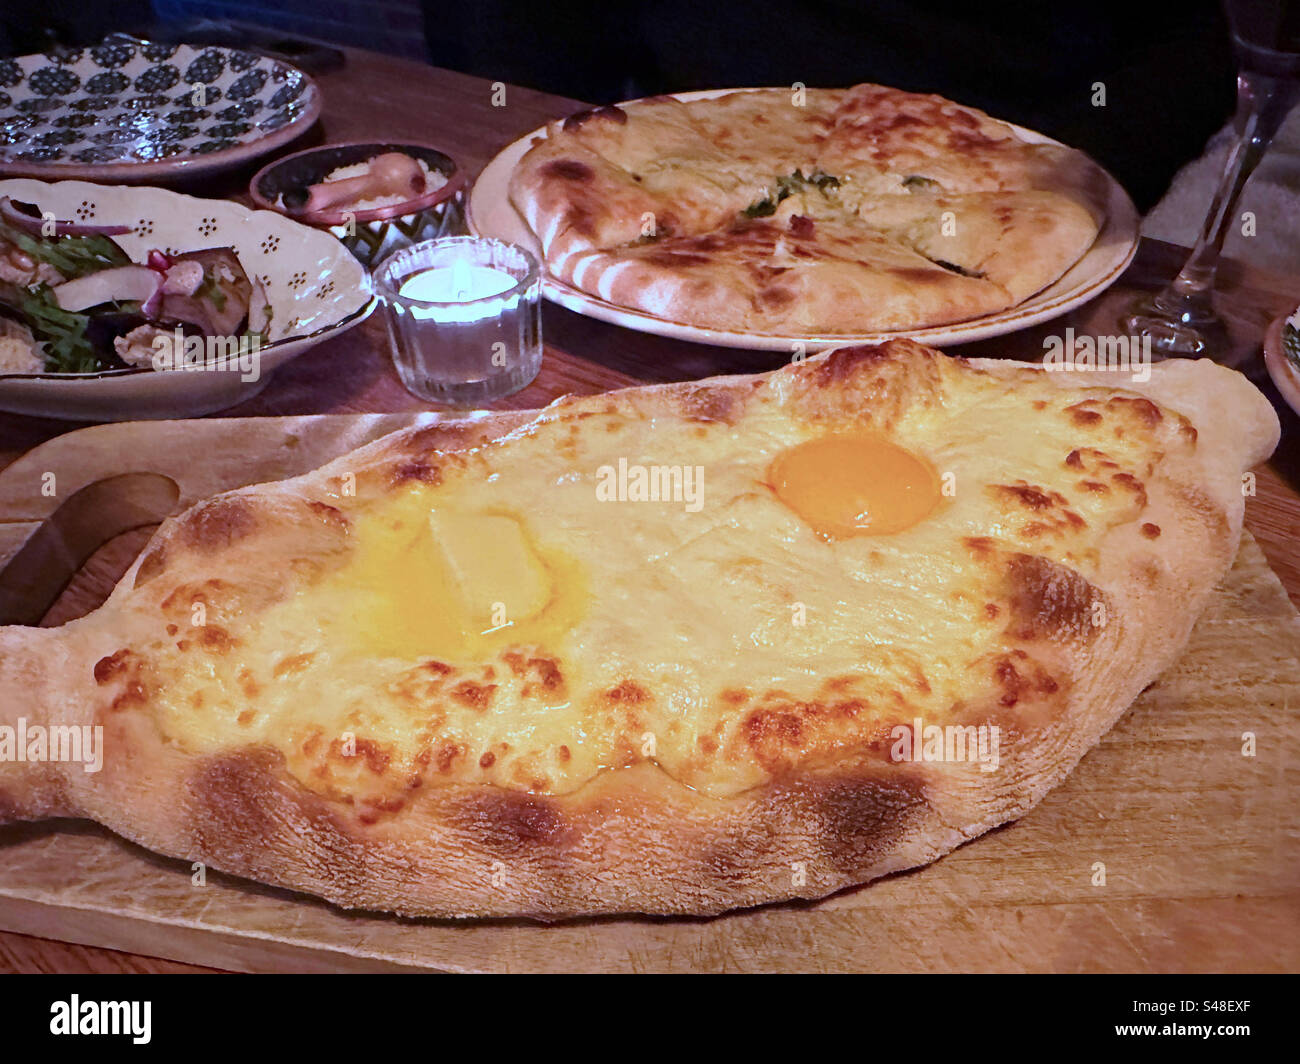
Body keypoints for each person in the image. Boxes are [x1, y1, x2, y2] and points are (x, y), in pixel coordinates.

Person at [425, 0, 1237, 212]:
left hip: (1023, 167)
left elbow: (1191, 57)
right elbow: (525, 51)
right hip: (694, 172)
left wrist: (1049, 190)